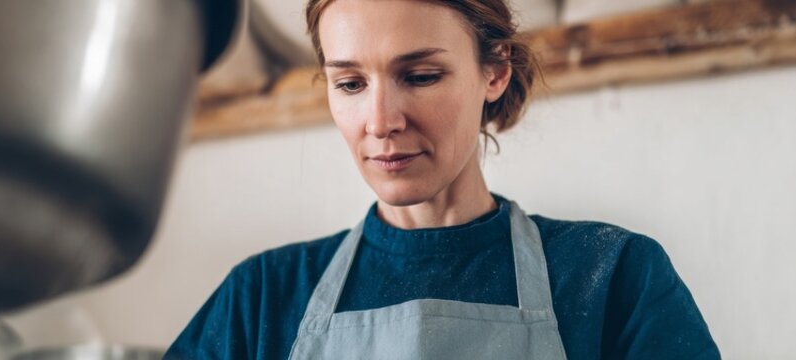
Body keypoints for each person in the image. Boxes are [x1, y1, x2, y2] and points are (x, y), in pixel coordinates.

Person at [166, 0, 720, 358]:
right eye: (351, 84)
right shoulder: (261, 300)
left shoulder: (613, 277)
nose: (381, 122)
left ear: (494, 71)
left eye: (421, 75)